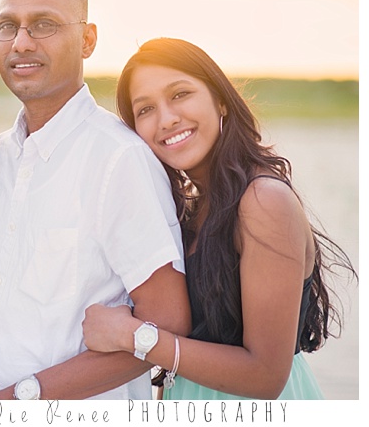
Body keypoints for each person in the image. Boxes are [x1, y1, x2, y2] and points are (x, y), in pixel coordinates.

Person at [82, 37, 356, 399]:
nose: (166, 119)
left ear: (221, 99)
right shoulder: (197, 208)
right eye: (145, 110)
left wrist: (131, 337)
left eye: (180, 94)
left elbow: (265, 376)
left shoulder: (262, 202)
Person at [0, 0, 191, 401]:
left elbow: (166, 325)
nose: (20, 42)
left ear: (88, 39)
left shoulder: (119, 159)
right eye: (6, 26)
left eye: (44, 24)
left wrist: (17, 402)